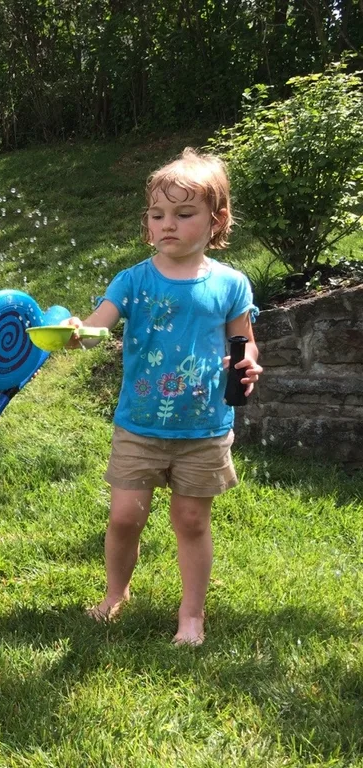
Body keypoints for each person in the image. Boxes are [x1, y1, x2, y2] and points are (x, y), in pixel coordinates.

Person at [68, 148, 263, 645]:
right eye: (157, 215)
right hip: (139, 425)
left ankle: (192, 615)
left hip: (203, 428)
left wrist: (248, 362)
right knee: (124, 516)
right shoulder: (133, 281)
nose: (167, 225)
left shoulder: (230, 284)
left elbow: (245, 342)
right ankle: (116, 593)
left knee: (192, 520)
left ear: (216, 220)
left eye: (183, 213)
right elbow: (97, 326)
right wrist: (75, 329)